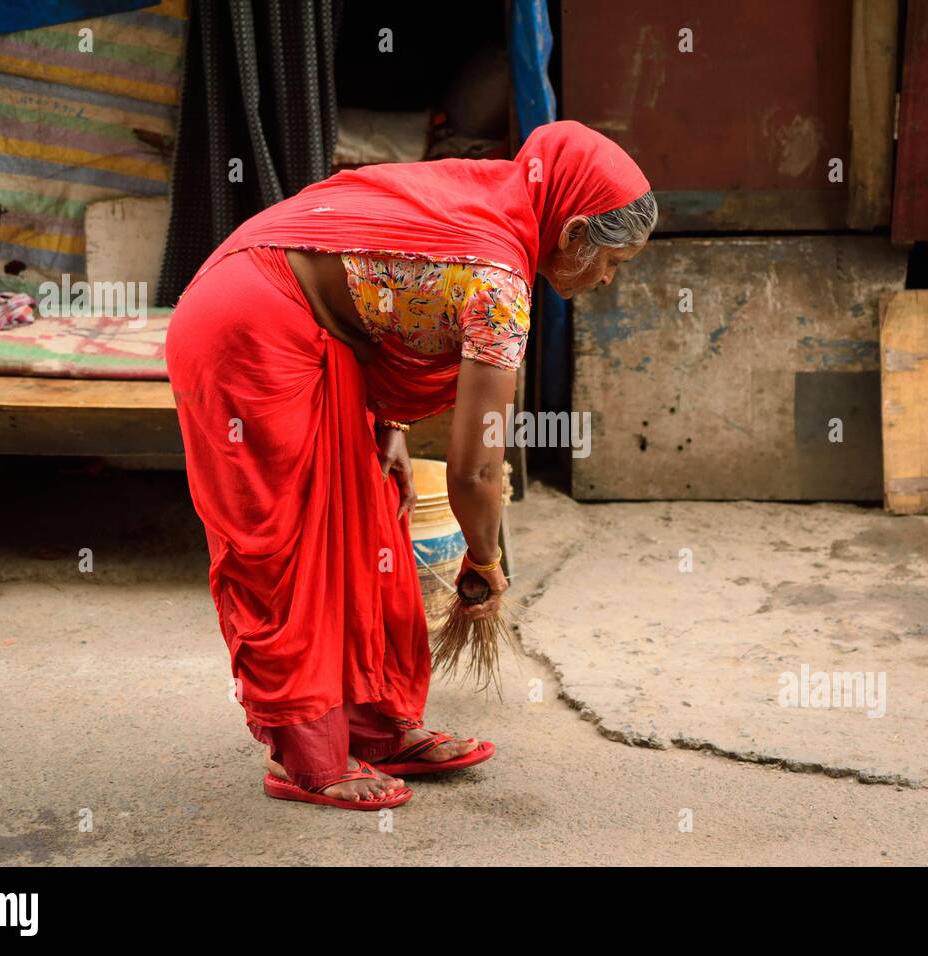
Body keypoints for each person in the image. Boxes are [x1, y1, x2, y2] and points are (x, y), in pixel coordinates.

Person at [166, 120, 656, 810]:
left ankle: (371, 722)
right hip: (245, 325)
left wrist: (388, 421)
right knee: (283, 547)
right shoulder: (499, 281)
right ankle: (305, 756)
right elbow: (475, 471)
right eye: (613, 261)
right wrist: (483, 563)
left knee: (370, 521)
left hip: (320, 330)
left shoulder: (494, 206)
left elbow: (382, 290)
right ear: (573, 232)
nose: (606, 279)